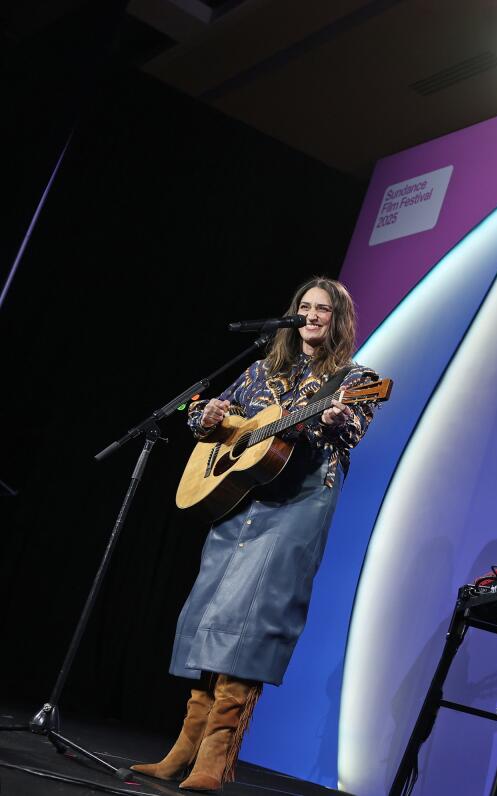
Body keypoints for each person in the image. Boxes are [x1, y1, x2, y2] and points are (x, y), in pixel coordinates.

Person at [132, 276, 380, 791]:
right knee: (211, 613)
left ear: (339, 321)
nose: (312, 316)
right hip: (242, 500)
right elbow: (199, 419)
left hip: (298, 503)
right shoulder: (259, 370)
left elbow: (352, 429)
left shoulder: (357, 377)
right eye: (305, 307)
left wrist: (333, 417)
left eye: (324, 310)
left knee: (252, 621)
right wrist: (211, 415)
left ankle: (215, 756)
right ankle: (184, 747)